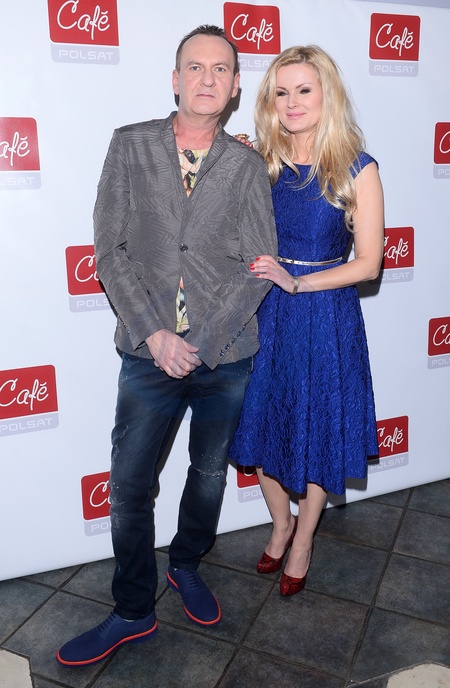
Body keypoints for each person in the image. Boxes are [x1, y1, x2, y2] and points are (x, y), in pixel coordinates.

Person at [56, 25, 277, 666]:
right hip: (146, 351)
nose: (207, 78)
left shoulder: (246, 165)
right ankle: (132, 609)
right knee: (129, 486)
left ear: (235, 87)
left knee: (208, 476)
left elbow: (259, 265)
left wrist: (200, 343)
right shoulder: (129, 145)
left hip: (224, 355)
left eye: (220, 69)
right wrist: (155, 334)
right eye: (195, 67)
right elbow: (110, 249)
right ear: (175, 79)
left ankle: (186, 563)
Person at [229, 45, 384, 597]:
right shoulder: (259, 163)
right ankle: (281, 524)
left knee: (317, 428)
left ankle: (304, 540)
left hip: (324, 314)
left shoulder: (357, 168)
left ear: (327, 95)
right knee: (256, 422)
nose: (292, 102)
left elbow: (368, 264)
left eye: (304, 90)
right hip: (265, 311)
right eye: (281, 92)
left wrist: (298, 282)